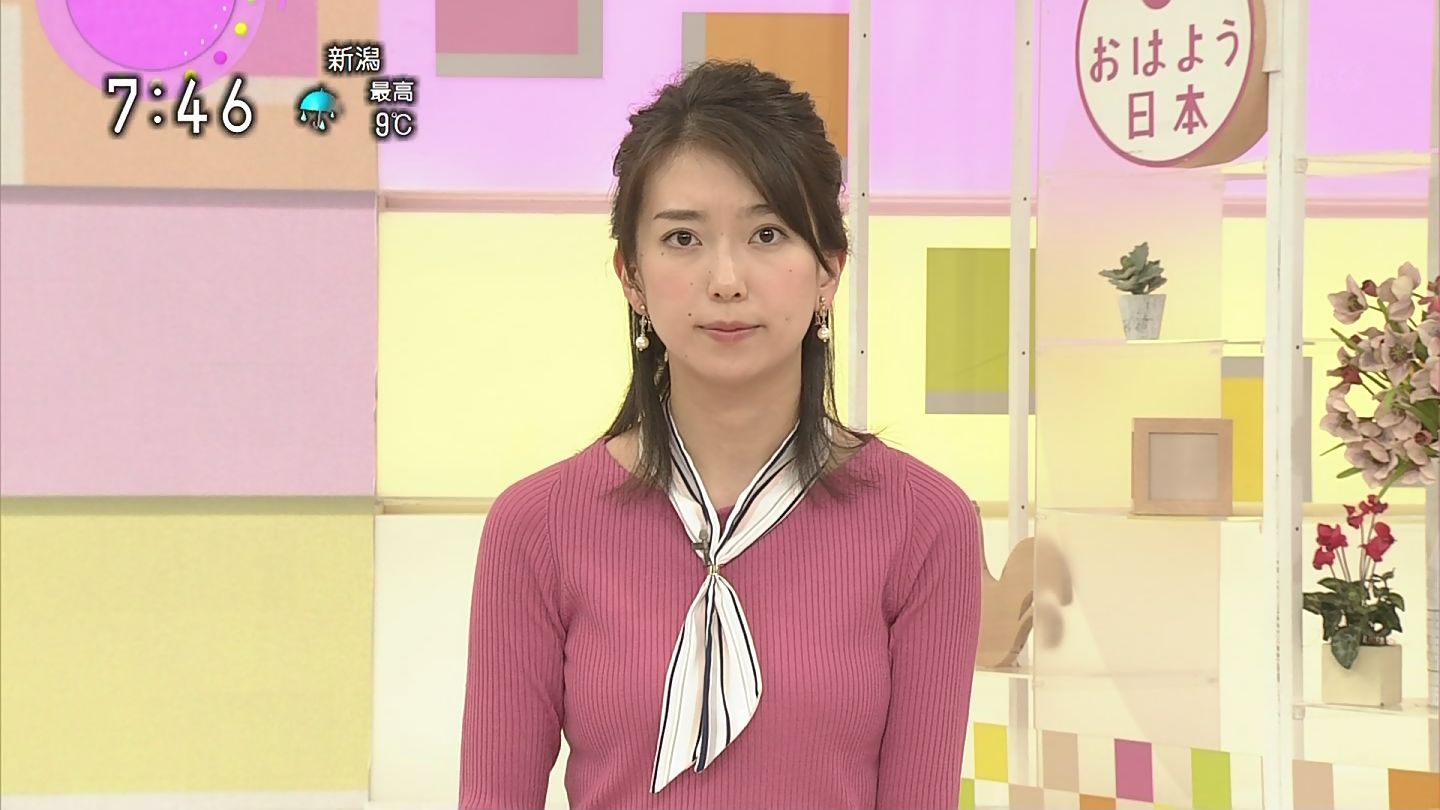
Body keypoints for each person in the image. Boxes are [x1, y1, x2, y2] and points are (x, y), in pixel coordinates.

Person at [459, 59, 982, 810]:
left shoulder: (925, 522)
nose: (726, 279)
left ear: (828, 270)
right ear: (631, 276)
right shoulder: (536, 527)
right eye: (683, 238)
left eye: (768, 233)